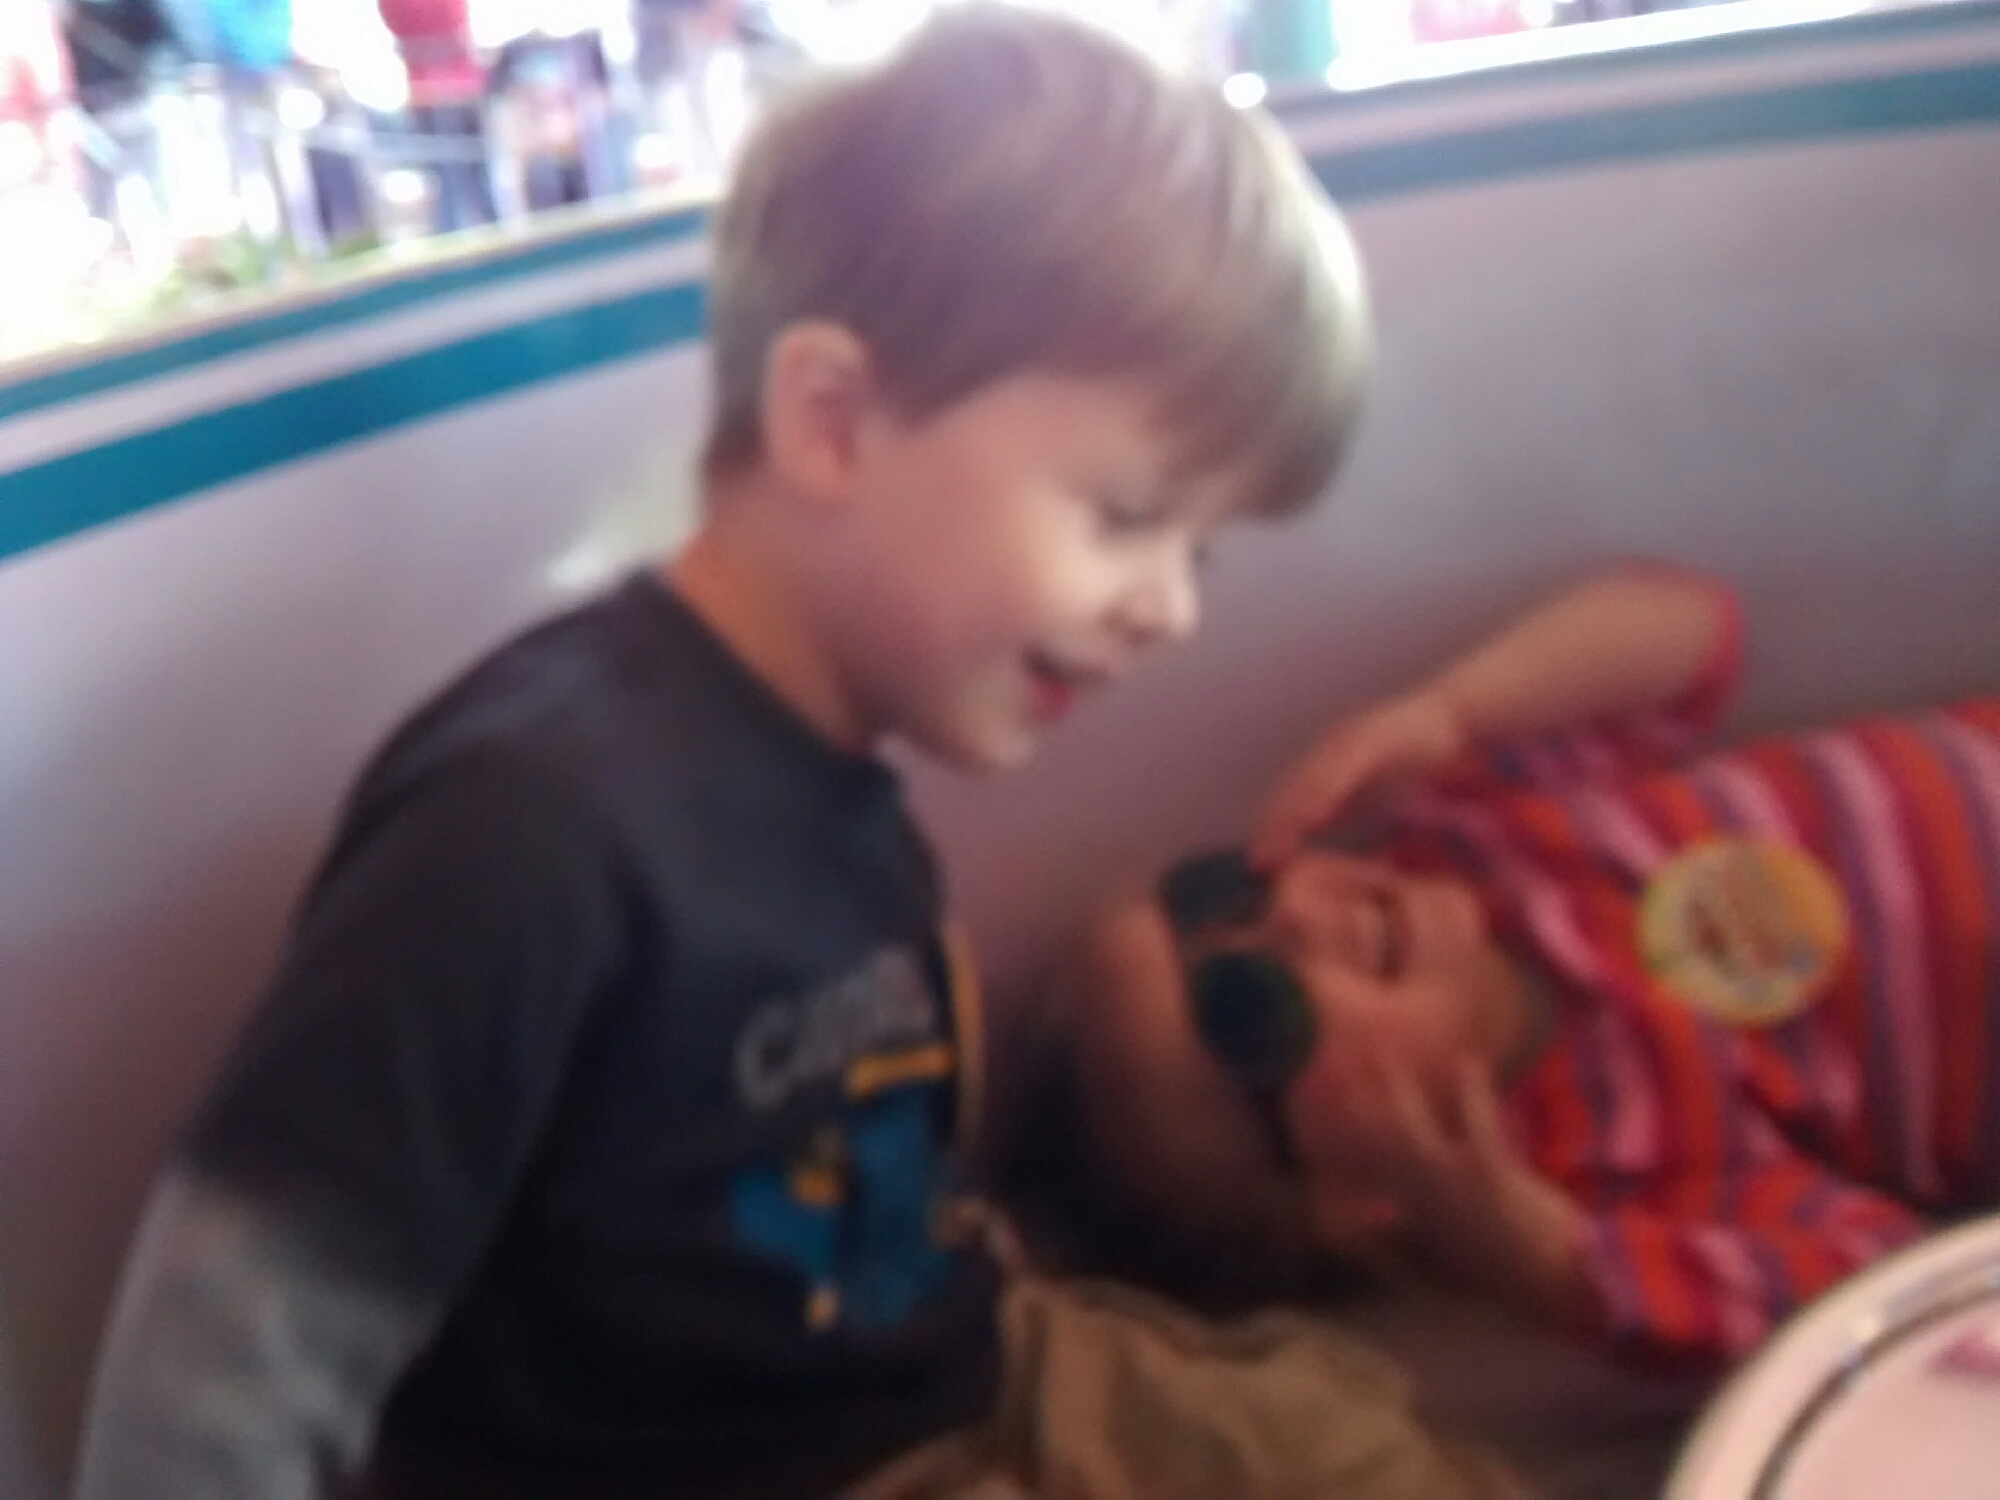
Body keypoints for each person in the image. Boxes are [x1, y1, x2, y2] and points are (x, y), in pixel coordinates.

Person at [74, 8, 1370, 1498]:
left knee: (1346, 1439)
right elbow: (229, 1343)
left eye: (1201, 549)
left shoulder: (841, 776)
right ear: (832, 422)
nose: (1172, 610)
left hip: (954, 1370)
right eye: (1129, 517)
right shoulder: (534, 822)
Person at [1058, 564, 2000, 1369]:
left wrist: (1454, 709)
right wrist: (1545, 1265)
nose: (1298, 915)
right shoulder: (1616, 1168)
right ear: (1351, 1198)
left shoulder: (1472, 833)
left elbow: (1694, 635)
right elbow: (1897, 1300)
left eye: (1224, 895)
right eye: (1248, 1006)